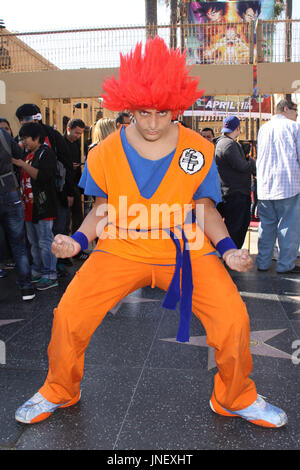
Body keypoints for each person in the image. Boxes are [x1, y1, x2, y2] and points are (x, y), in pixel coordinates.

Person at [15, 37, 287, 428]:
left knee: (233, 319)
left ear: (176, 106)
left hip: (186, 247)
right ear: (129, 107)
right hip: (121, 246)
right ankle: (59, 389)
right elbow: (100, 211)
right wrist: (74, 241)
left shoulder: (199, 149)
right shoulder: (104, 152)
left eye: (163, 112)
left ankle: (234, 397)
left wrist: (227, 249)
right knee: (69, 316)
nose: (154, 122)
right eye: (143, 112)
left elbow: (205, 209)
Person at [256, 99, 300, 274]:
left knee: (266, 226)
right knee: (288, 226)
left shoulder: (264, 128)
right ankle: (285, 264)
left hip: (265, 186)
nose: (296, 117)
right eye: (295, 113)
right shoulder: (294, 127)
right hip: (288, 184)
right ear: (287, 109)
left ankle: (263, 262)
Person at [13, 123, 58, 290]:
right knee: (33, 241)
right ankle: (38, 269)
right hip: (28, 207)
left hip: (43, 206)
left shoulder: (45, 153)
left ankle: (50, 273)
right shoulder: (27, 154)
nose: (24, 142)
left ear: (37, 138)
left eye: (26, 138)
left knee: (46, 241)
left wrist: (22, 164)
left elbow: (43, 176)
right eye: (22, 139)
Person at [0, 127, 35, 300]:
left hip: (8, 189)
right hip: (9, 190)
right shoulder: (3, 135)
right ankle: (27, 287)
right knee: (18, 243)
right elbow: (20, 154)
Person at [215, 115, 256, 249]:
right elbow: (242, 167)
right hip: (236, 192)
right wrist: (249, 160)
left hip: (228, 191)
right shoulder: (229, 144)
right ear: (238, 128)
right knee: (237, 227)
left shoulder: (221, 142)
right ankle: (231, 254)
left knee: (234, 226)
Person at [63, 118, 85, 236]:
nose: (78, 136)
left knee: (78, 219)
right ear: (68, 129)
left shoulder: (76, 143)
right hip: (64, 188)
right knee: (64, 222)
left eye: (81, 133)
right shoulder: (60, 143)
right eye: (76, 132)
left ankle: (77, 249)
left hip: (75, 185)